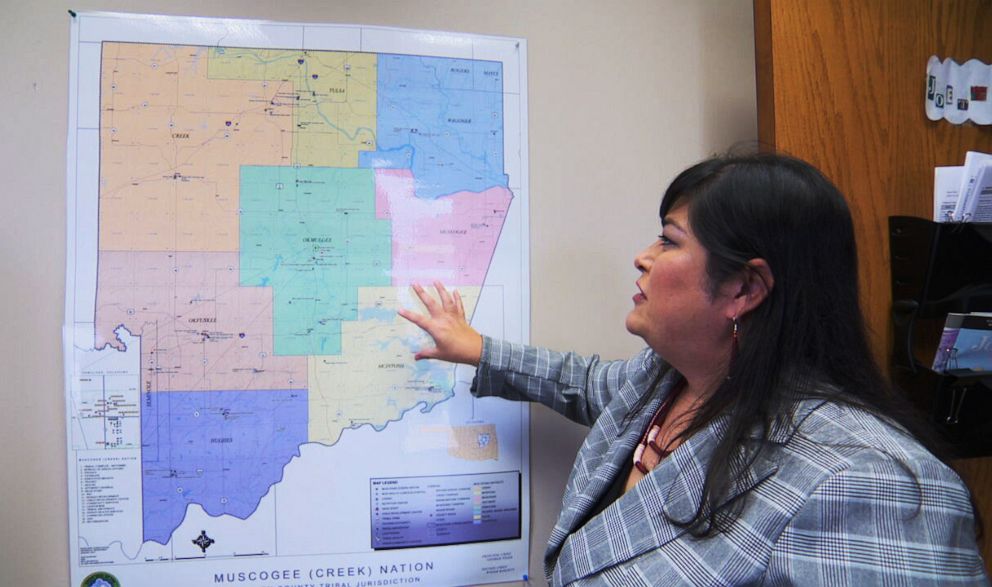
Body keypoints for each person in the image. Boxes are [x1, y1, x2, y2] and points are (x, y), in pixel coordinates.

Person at [398, 152, 989, 586]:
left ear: (744, 287)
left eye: (668, 239)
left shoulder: (868, 483)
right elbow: (582, 382)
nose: (642, 256)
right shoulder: (663, 378)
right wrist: (477, 348)